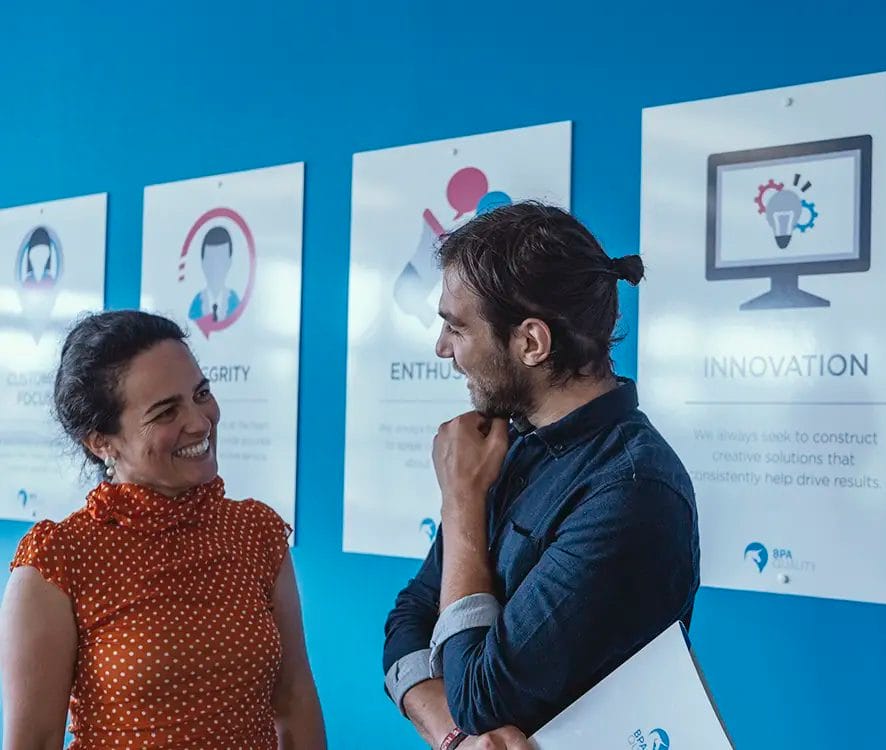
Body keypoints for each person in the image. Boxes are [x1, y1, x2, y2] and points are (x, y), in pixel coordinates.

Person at [383, 202, 700, 749]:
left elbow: (481, 698)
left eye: (456, 328)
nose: (441, 349)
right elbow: (409, 618)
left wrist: (461, 502)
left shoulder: (631, 490)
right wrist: (454, 739)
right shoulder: (508, 447)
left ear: (531, 342)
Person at [0, 311, 325, 749]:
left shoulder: (256, 531)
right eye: (166, 411)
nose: (199, 421)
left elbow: (294, 698)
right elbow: (34, 740)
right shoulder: (58, 559)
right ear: (101, 442)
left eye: (201, 394)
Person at [189, 226, 241, 323]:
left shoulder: (235, 301)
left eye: (220, 259)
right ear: (202, 263)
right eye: (210, 259)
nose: (215, 266)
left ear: (229, 262)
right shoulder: (197, 303)